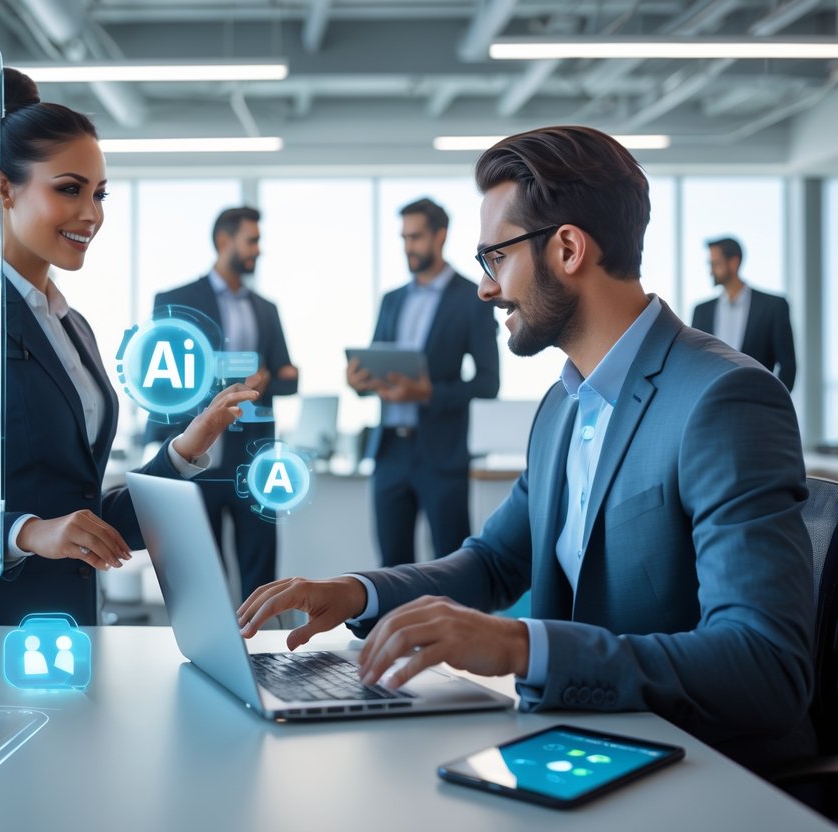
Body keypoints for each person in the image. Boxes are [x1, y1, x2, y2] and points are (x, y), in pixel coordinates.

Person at [239, 126, 814, 774]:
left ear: (567, 248)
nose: (485, 287)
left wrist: (521, 646)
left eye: (496, 257)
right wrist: (356, 592)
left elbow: (765, 667)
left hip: (697, 773)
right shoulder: (561, 406)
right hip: (579, 751)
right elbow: (490, 565)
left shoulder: (724, 398)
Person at [0, 67, 256, 626]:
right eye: (69, 189)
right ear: (2, 188)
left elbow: (88, 520)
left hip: (67, 626)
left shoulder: (74, 327)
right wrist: (28, 533)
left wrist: (186, 449)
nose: (93, 214)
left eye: (99, 193)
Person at [145, 207, 298, 601]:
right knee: (203, 573)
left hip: (254, 461)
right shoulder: (176, 300)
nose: (257, 250)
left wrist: (267, 380)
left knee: (260, 570)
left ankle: (262, 655)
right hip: (200, 458)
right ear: (223, 241)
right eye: (252, 240)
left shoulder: (267, 309)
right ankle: (211, 653)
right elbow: (161, 380)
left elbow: (287, 376)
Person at [347, 198, 499, 566]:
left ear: (440, 236)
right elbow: (377, 369)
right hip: (389, 454)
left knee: (451, 565)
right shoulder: (392, 300)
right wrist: (359, 381)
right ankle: (392, 628)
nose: (408, 247)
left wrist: (427, 392)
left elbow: (488, 384)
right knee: (391, 566)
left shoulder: (472, 299)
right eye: (403, 237)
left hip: (441, 455)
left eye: (415, 237)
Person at [691, 236, 796, 391]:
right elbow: (696, 364)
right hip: (711, 406)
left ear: (734, 263)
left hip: (758, 406)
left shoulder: (773, 306)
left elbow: (788, 365)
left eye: (715, 264)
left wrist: (774, 403)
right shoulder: (701, 311)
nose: (711, 271)